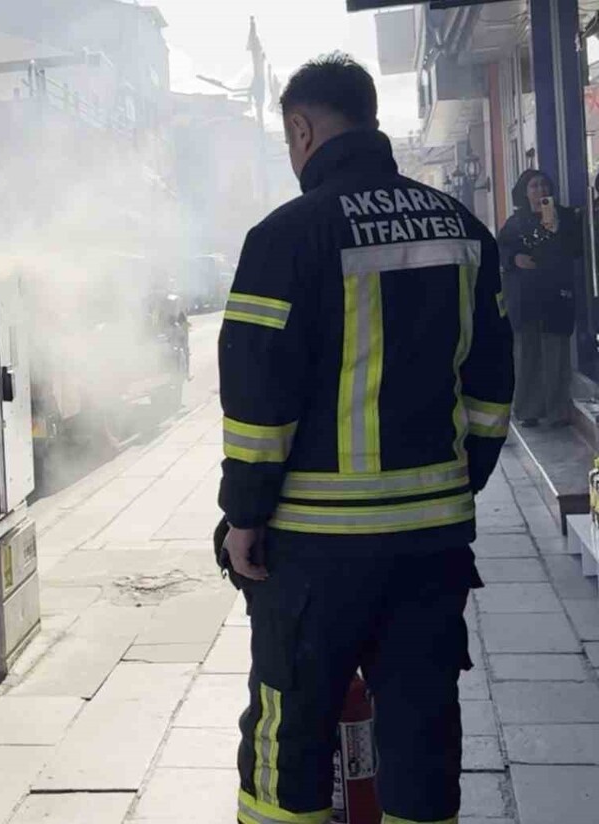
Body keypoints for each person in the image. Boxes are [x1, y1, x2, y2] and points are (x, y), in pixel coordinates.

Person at [218, 54, 513, 824]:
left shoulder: (287, 236)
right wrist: (454, 482)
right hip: (432, 542)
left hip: (315, 551)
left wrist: (244, 515)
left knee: (292, 737)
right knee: (423, 729)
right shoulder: (462, 227)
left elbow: (258, 404)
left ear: (302, 129)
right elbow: (491, 392)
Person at [498, 169, 580, 428]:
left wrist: (556, 226)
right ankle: (528, 410)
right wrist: (514, 259)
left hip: (556, 294)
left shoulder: (564, 217)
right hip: (526, 298)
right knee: (527, 355)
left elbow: (577, 249)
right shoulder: (515, 223)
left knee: (556, 353)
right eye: (534, 186)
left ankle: (557, 410)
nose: (540, 190)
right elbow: (500, 251)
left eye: (544, 185)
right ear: (525, 192)